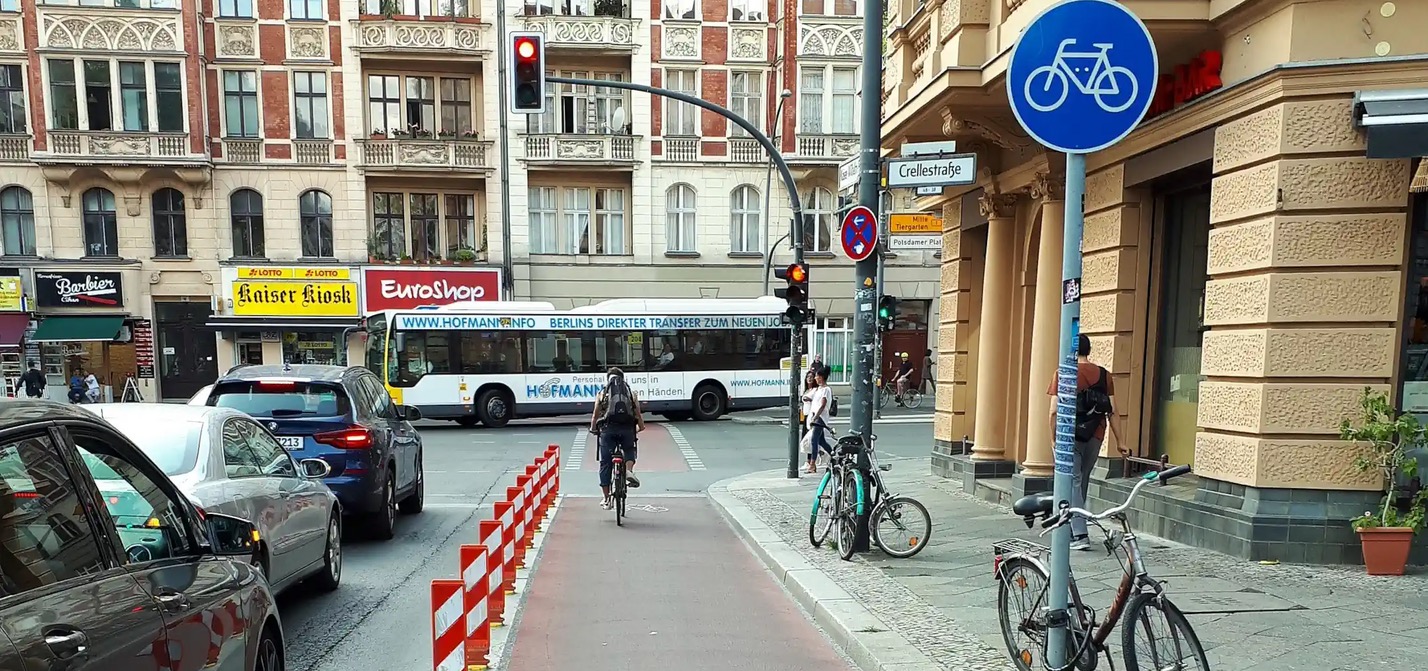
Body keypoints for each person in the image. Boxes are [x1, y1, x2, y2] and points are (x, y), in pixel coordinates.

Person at [1046, 334, 1124, 551]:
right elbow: (1113, 411)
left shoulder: (1063, 373)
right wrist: (1121, 442)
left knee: (1073, 483)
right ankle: (1074, 526)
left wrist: (1053, 438)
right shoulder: (1104, 375)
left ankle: (1080, 535)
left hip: (1068, 436)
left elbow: (1054, 411)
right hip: (1095, 435)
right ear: (1088, 350)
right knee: (1081, 482)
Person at [590, 367, 644, 510]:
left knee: (605, 463)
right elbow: (638, 414)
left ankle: (607, 499)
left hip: (608, 430)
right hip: (627, 429)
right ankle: (628, 471)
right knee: (629, 448)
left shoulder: (602, 393)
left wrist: (594, 429)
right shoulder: (631, 393)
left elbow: (595, 415)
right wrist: (640, 427)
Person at [805, 368, 833, 474]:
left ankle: (812, 464)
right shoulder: (819, 389)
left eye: (816, 376)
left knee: (814, 440)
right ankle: (834, 455)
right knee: (821, 441)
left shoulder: (826, 390)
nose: (815, 378)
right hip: (816, 417)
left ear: (821, 377)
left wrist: (815, 417)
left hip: (820, 418)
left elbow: (823, 405)